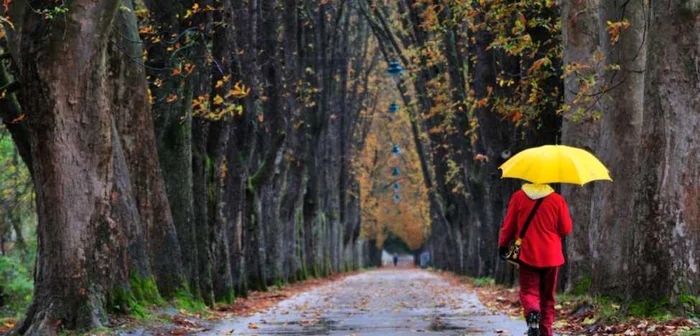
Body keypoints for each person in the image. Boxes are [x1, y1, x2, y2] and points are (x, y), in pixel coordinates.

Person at [498, 183, 572, 336]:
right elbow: (566, 229)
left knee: (528, 291)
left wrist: (503, 244)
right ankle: (546, 331)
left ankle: (532, 313)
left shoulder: (518, 197)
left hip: (527, 253)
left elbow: (509, 224)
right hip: (551, 255)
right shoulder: (557, 199)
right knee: (547, 297)